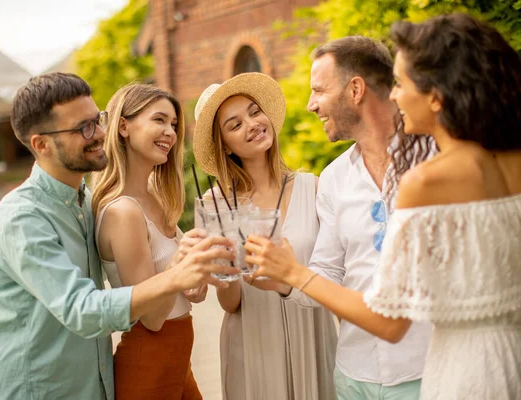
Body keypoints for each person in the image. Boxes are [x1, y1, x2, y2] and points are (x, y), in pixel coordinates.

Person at [245, 13, 521, 400]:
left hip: (448, 371)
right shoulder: (517, 159)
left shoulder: (427, 177)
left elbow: (389, 321)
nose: (394, 95)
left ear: (435, 94)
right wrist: (282, 278)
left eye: (402, 83)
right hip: (514, 363)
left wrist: (294, 271)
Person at [0, 72, 236, 400]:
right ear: (41, 144)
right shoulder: (22, 219)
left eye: (96, 120)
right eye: (83, 128)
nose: (99, 133)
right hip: (37, 389)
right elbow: (81, 309)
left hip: (93, 383)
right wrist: (177, 276)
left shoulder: (84, 203)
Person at [283, 36, 433, 399]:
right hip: (354, 377)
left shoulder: (437, 156)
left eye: (319, 90)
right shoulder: (334, 178)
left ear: (355, 89)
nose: (310, 104)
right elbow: (329, 270)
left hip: (429, 372)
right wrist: (282, 277)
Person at [192, 72, 338, 400]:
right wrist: (224, 270)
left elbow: (334, 276)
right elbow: (230, 305)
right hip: (253, 342)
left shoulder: (313, 188)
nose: (252, 123)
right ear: (225, 146)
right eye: (234, 124)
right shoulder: (214, 205)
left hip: (312, 336)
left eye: (254, 111)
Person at [91, 83, 209, 399]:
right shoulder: (123, 210)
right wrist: (181, 263)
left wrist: (195, 281)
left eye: (173, 124)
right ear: (124, 126)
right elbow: (152, 318)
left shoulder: (154, 197)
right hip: (149, 362)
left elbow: (175, 285)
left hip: (177, 362)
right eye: (159, 120)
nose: (170, 132)